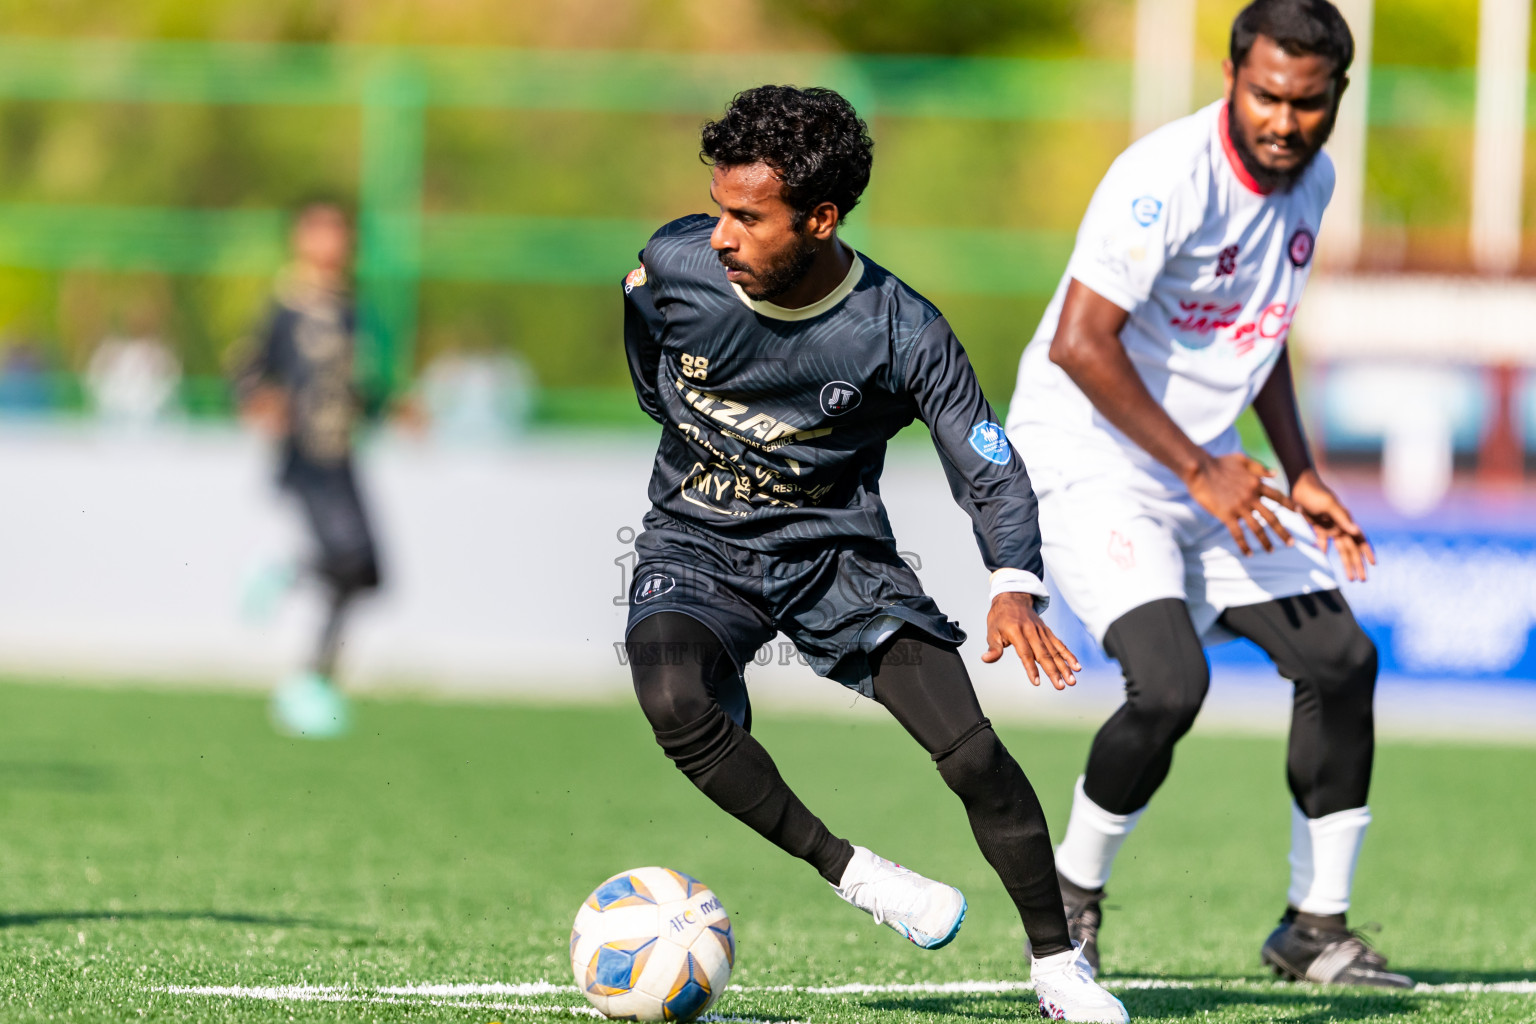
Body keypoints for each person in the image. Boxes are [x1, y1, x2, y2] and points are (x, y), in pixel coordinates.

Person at [622, 85, 1128, 1023]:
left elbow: (986, 461)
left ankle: (1058, 963)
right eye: (718, 207)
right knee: (671, 694)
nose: (720, 235)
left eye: (747, 217)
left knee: (973, 756)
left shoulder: (902, 330)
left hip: (837, 558)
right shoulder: (672, 264)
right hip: (697, 539)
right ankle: (852, 870)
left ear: (819, 220)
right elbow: (650, 356)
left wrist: (1014, 583)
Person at [1005, 0, 1409, 989]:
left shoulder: (1313, 182)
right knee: (1171, 684)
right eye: (1268, 95)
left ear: (1335, 99)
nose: (1284, 121)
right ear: (1233, 76)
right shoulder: (1162, 178)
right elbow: (1080, 343)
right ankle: (1069, 896)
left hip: (1206, 465)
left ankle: (1315, 928)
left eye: (1308, 104)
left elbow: (1257, 337)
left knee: (1340, 657)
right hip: (1093, 459)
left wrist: (1302, 468)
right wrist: (1199, 469)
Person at [236, 201, 383, 739]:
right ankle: (305, 682)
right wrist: (259, 399)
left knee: (366, 574)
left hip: (342, 453)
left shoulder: (352, 308)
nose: (330, 243)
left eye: (338, 232)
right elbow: (248, 366)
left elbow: (361, 383)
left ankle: (315, 674)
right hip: (305, 455)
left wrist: (393, 407)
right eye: (319, 232)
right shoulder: (286, 304)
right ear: (299, 239)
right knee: (346, 559)